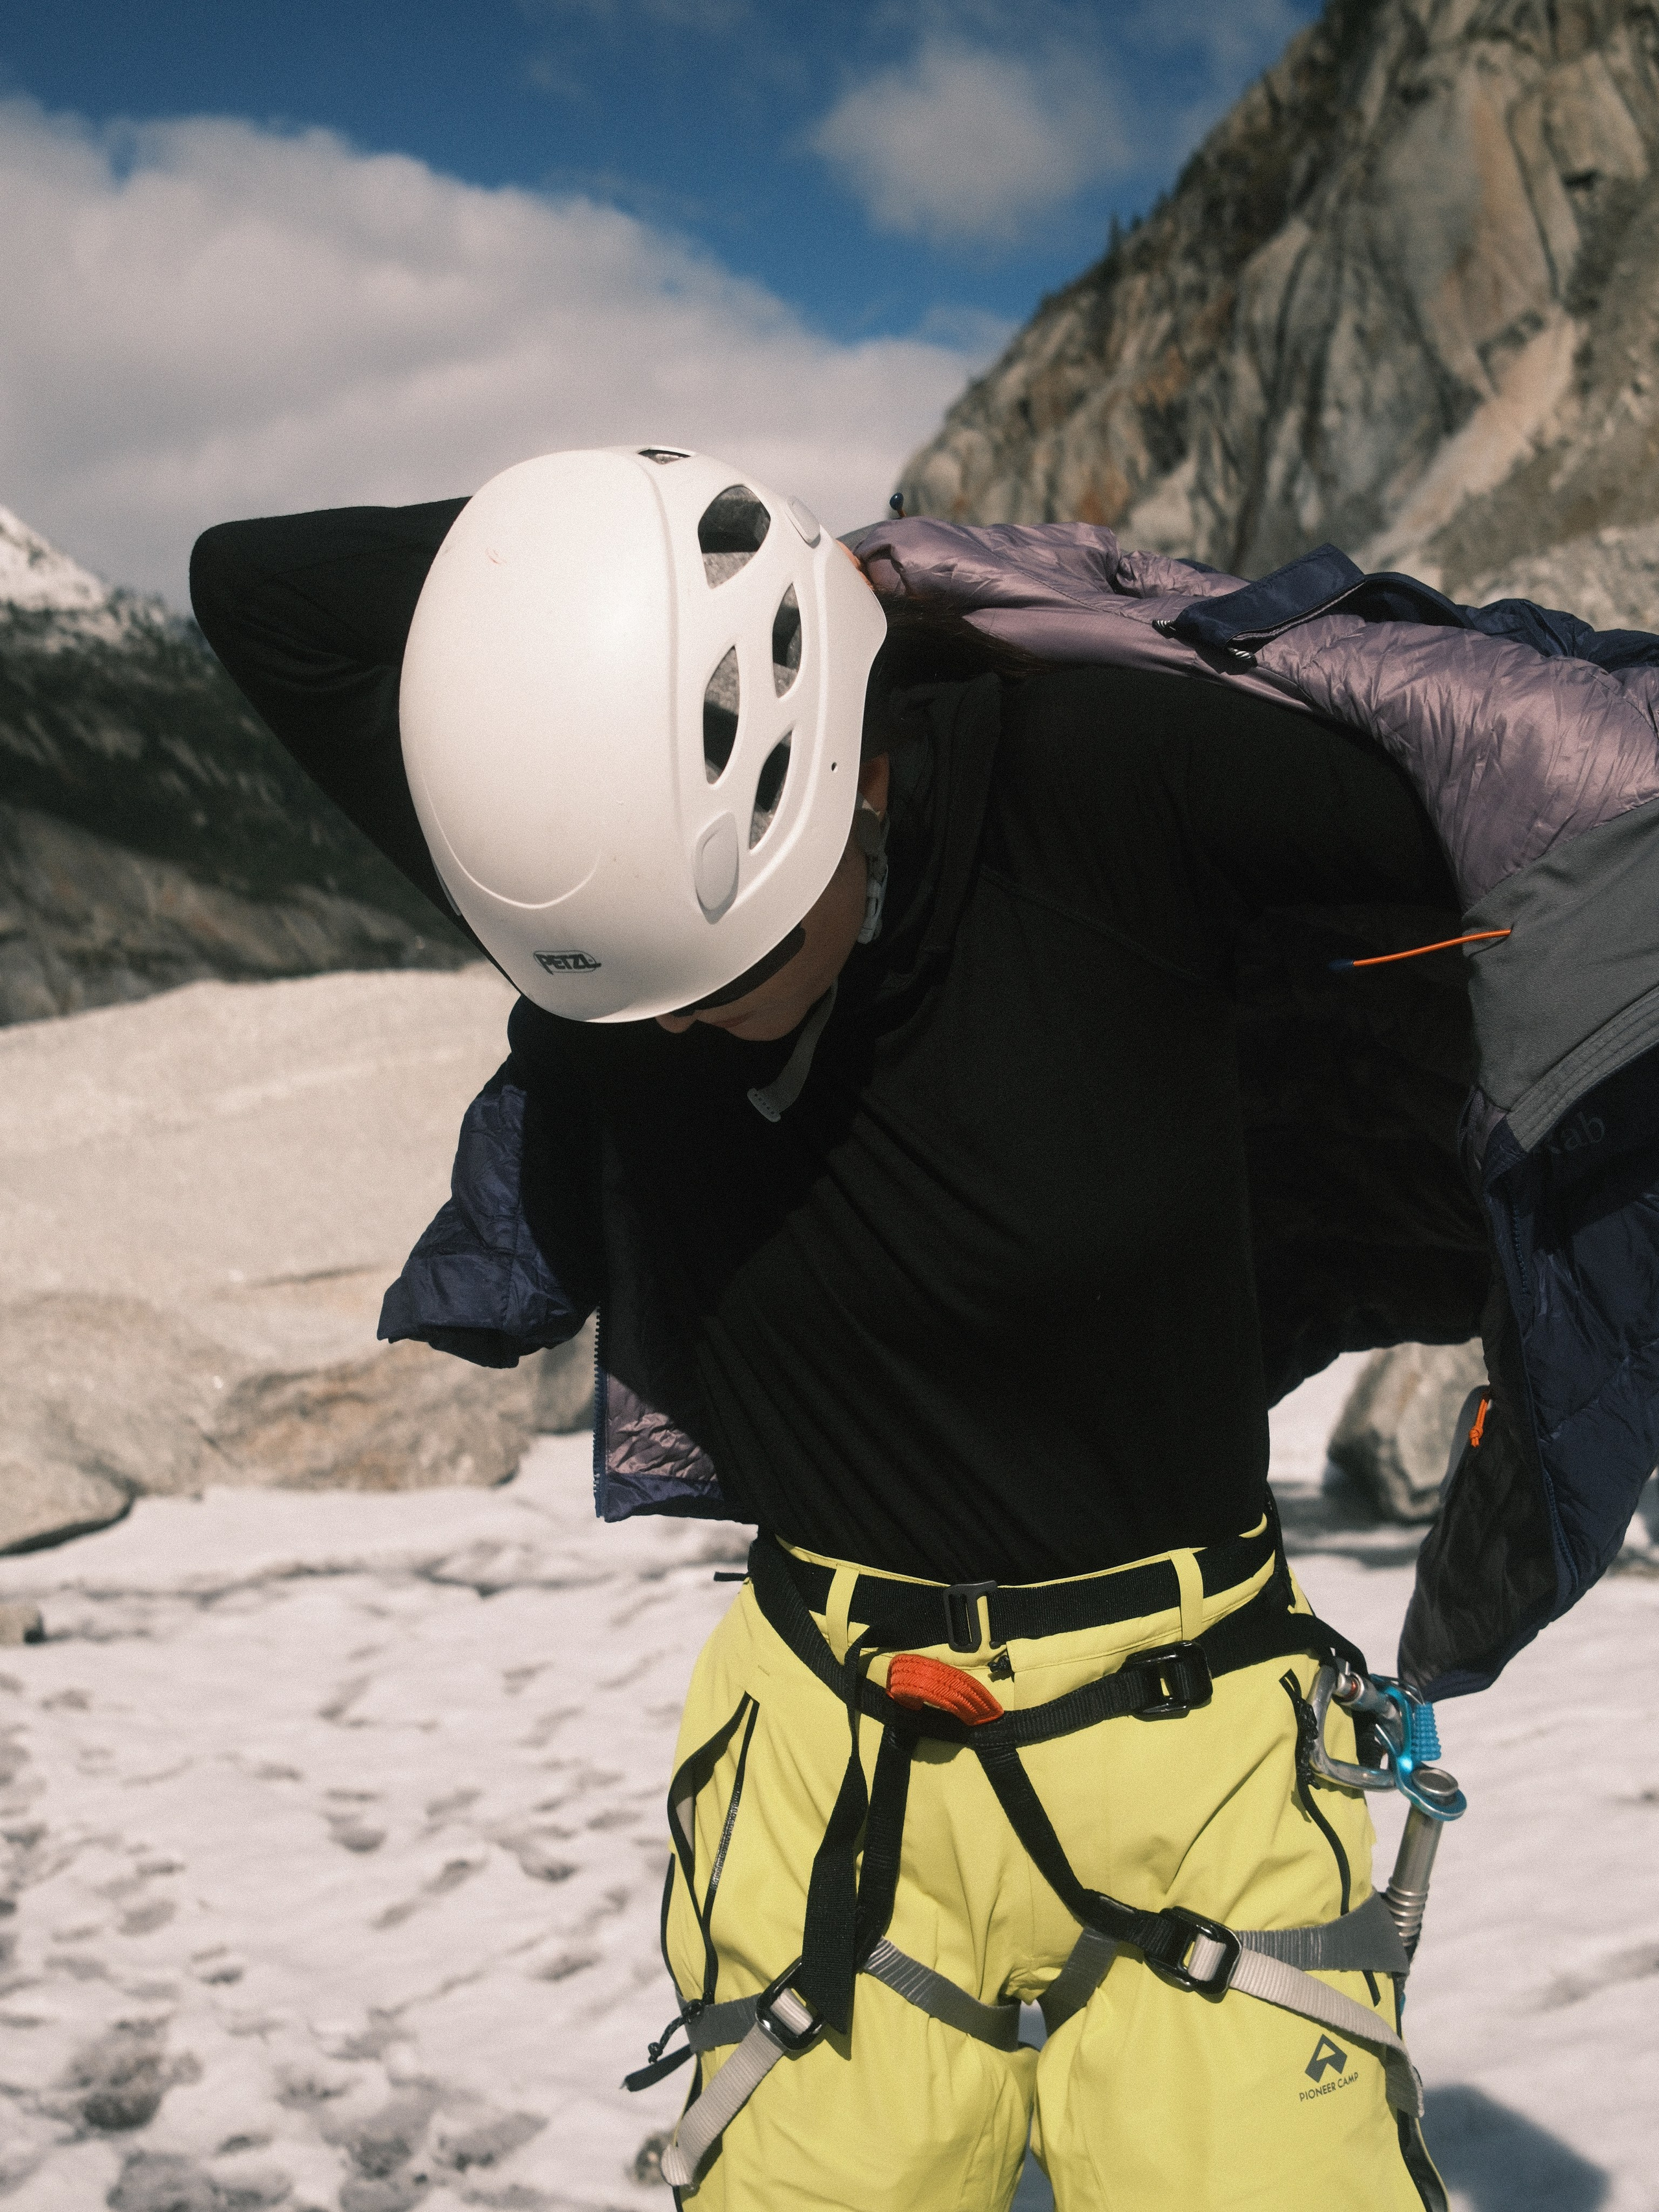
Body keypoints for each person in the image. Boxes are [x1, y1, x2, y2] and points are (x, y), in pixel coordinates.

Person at [191, 447, 1463, 2211]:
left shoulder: (1101, 791)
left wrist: (829, 589)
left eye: (727, 971)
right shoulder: (594, 831)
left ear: (834, 793)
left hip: (1199, 1757)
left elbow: (1548, 801)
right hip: (828, 1750)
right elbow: (259, 587)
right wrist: (614, 594)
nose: (686, 1034)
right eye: (648, 1005)